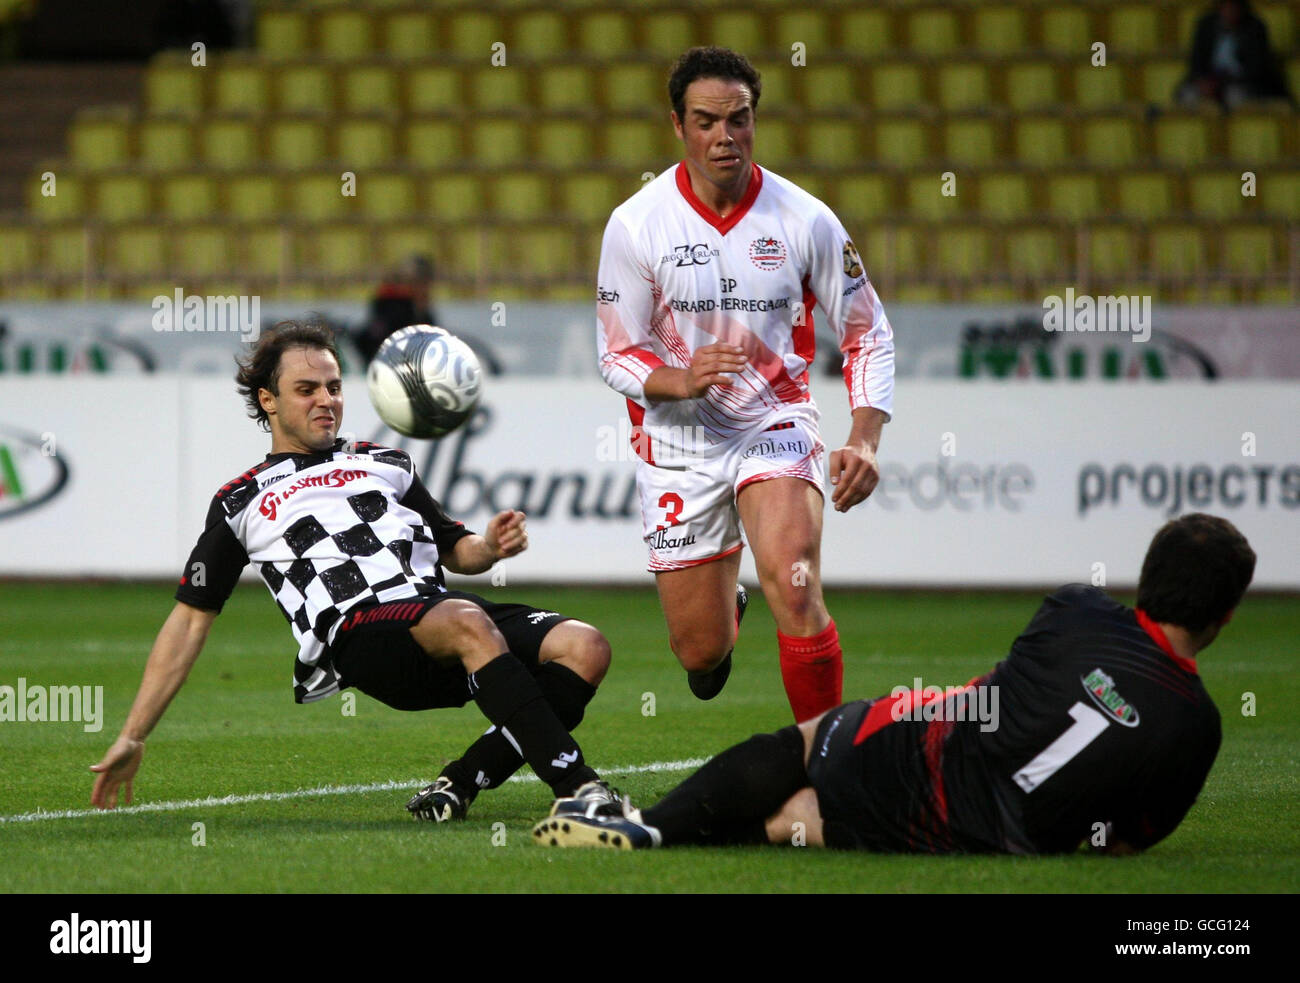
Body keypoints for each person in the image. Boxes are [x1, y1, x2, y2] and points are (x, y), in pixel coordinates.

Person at [90, 320, 616, 822]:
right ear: (267, 400)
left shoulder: (386, 461)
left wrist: (491, 546)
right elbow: (189, 621)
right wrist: (134, 735)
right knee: (465, 618)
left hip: (440, 614)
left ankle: (461, 781)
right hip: (362, 631)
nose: (327, 400)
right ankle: (580, 792)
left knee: (585, 646)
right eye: (306, 389)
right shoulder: (240, 501)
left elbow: (457, 550)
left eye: (334, 386)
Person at [534, 513, 1255, 854]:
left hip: (920, 751)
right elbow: (1130, 842)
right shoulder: (1199, 724)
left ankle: (651, 825)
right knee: (800, 821)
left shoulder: (1076, 608)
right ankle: (746, 833)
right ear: (1225, 613)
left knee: (814, 739)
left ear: (1148, 573)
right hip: (981, 836)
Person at [595, 46, 895, 720]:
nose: (724, 137)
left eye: (739, 119)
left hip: (774, 423)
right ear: (677, 125)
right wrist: (679, 378)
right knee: (698, 652)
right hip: (678, 441)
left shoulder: (805, 220)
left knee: (794, 585)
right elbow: (616, 355)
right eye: (706, 121)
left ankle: (825, 766)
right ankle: (722, 610)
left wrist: (866, 437)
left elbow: (867, 331)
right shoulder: (637, 224)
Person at [1176, 0, 1294, 110]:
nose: (1230, 12)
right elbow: (1196, 61)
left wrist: (1223, 83)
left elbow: (1257, 69)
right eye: (1226, 8)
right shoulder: (1205, 26)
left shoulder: (1255, 28)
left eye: (1233, 8)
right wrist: (1202, 81)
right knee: (1188, 95)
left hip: (1242, 83)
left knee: (1235, 96)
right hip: (1210, 81)